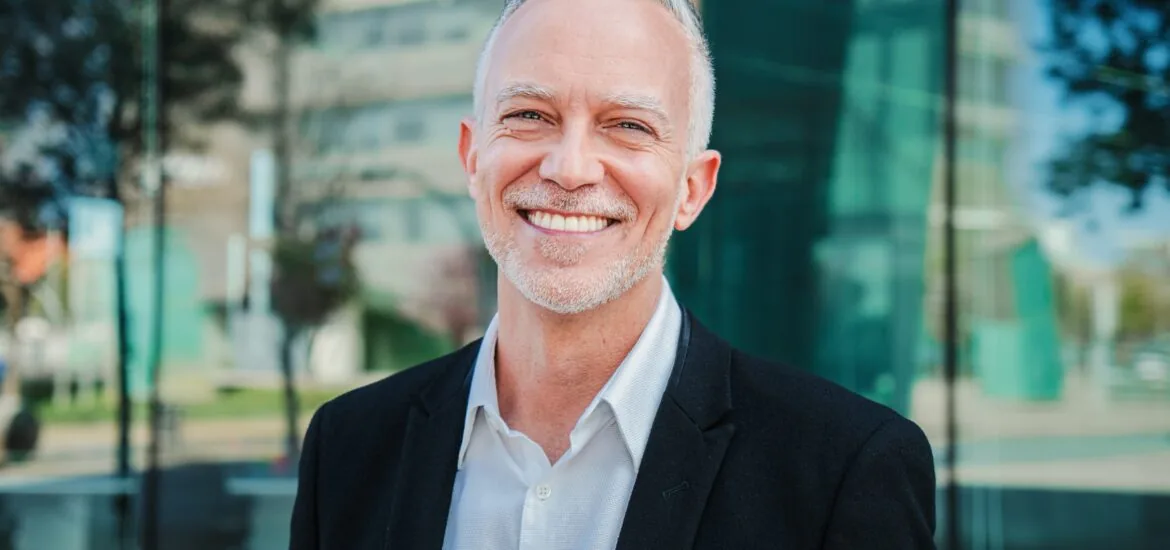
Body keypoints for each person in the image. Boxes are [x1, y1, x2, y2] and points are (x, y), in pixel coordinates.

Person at [289, 0, 936, 548]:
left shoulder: (844, 470)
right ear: (471, 157)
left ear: (692, 188)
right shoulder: (348, 447)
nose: (570, 169)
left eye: (627, 126)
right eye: (529, 115)